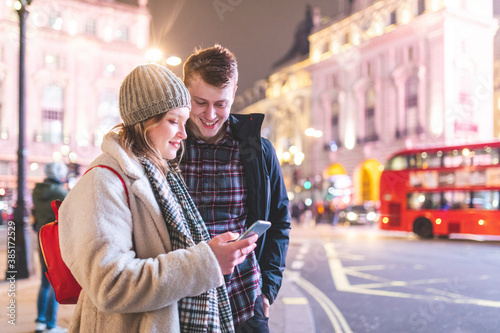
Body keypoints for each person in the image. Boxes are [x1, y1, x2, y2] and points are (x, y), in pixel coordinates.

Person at [58, 63, 258, 333]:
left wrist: (211, 251)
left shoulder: (162, 175)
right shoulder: (103, 181)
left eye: (184, 122)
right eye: (173, 121)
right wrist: (206, 262)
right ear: (144, 121)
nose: (183, 134)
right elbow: (110, 285)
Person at [182, 45, 291, 332]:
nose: (210, 115)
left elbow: (279, 220)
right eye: (200, 102)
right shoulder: (169, 145)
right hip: (182, 298)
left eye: (221, 104)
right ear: (184, 93)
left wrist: (269, 287)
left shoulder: (258, 150)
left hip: (244, 297)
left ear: (234, 93)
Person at [32, 162, 69, 333]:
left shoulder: (37, 191)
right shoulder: (61, 193)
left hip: (42, 239)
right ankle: (51, 325)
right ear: (60, 175)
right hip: (57, 241)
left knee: (44, 283)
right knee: (55, 281)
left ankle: (41, 321)